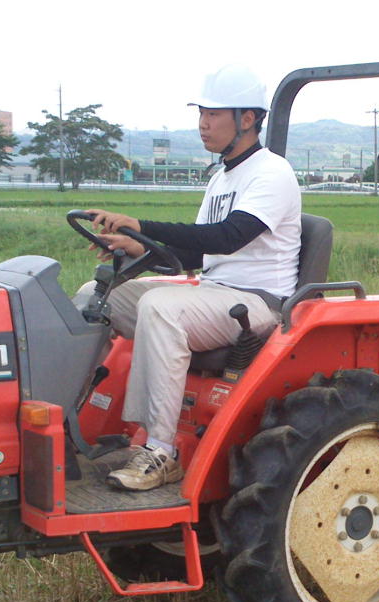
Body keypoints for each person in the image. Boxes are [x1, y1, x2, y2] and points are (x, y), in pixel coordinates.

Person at [81, 64, 302, 491]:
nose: (203, 124)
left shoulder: (272, 173)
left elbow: (229, 236)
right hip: (213, 293)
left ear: (248, 118)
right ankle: (73, 422)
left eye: (214, 114)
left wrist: (143, 225)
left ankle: (161, 451)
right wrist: (137, 246)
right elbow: (200, 251)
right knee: (96, 294)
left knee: (161, 307)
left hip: (258, 302)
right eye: (201, 113)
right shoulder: (222, 177)